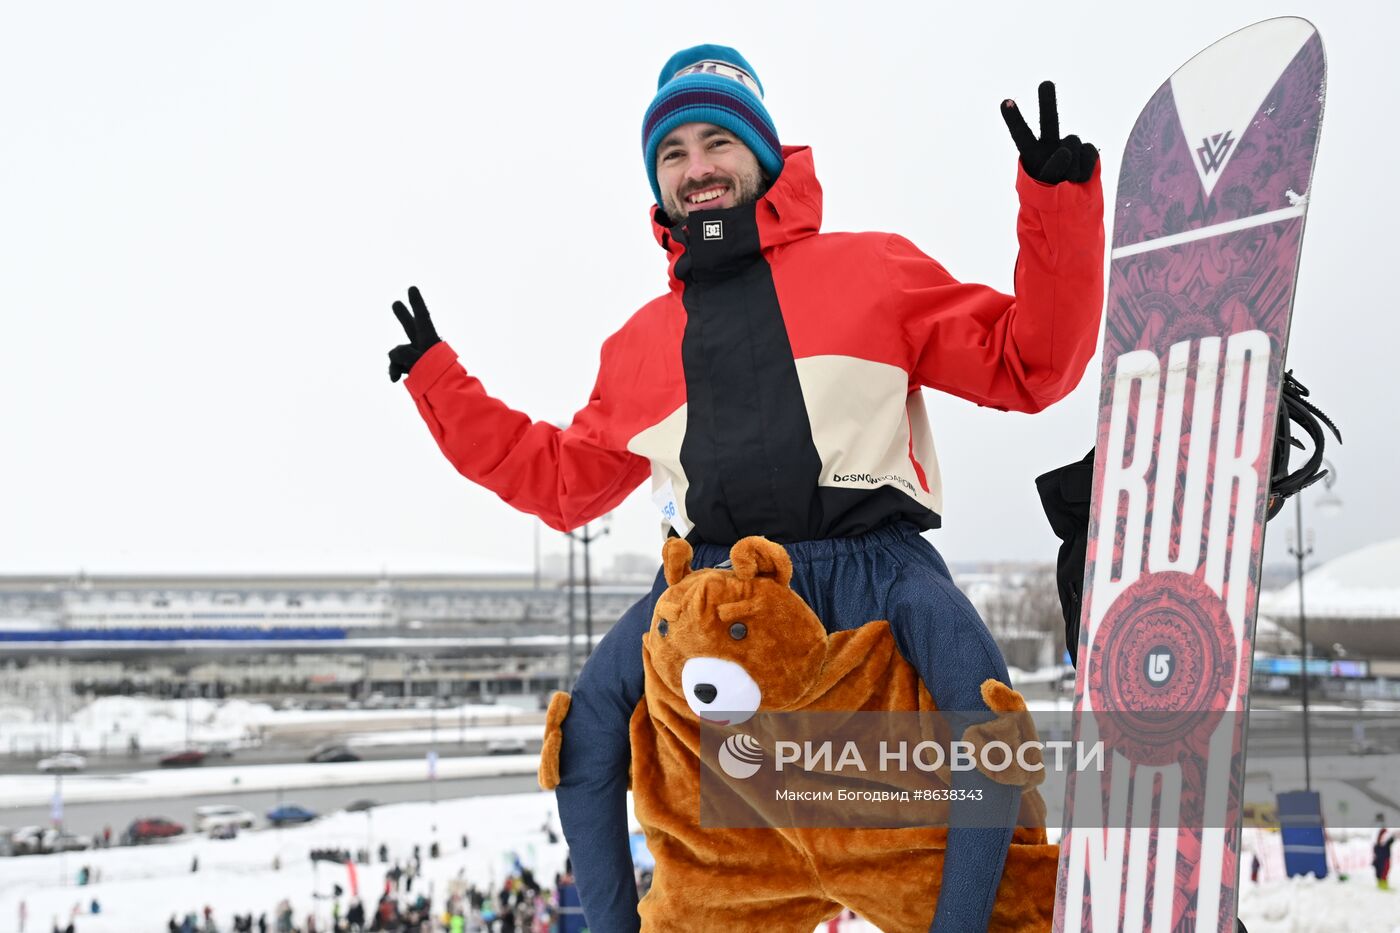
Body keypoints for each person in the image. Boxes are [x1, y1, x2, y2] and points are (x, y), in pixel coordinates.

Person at [387, 44, 1102, 931]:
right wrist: (440, 384)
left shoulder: (872, 271)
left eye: (716, 142)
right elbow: (563, 484)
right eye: (673, 152)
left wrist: (1056, 202)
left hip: (871, 570)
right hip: (706, 589)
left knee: (982, 714)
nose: (697, 169)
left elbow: (1029, 363)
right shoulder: (642, 343)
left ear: (762, 155)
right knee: (584, 732)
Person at [1376, 812, 1394, 890]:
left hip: (1381, 852)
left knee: (1382, 867)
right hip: (1383, 853)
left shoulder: (1381, 829)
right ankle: (1382, 884)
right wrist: (1390, 840)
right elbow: (1383, 842)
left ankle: (1382, 883)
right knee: (1384, 867)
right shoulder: (1381, 829)